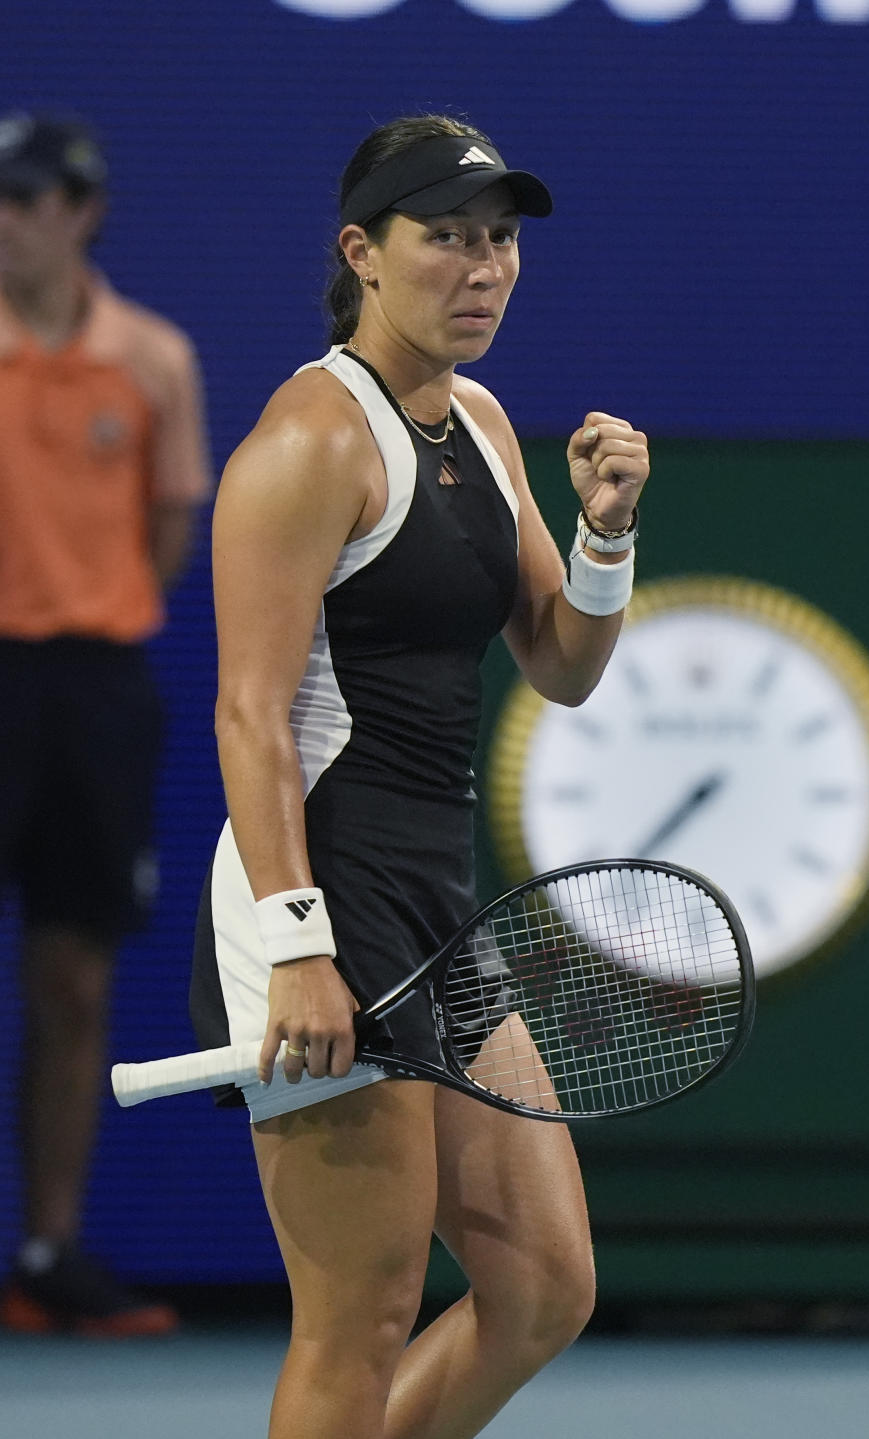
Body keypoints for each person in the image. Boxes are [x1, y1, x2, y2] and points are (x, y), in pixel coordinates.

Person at [189, 113, 649, 1438]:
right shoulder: (309, 441)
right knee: (359, 1314)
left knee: (544, 1280)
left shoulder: (489, 424)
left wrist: (604, 536)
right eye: (444, 236)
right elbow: (246, 710)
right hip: (318, 890)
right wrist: (296, 942)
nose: (482, 267)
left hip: (435, 901)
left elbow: (561, 661)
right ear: (362, 252)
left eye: (499, 238)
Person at [0, 112, 212, 1336]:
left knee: (75, 978)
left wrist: (77, 599)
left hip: (93, 694)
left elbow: (169, 535)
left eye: (30, 201)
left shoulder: (153, 359)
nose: (10, 222)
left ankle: (47, 1250)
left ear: (82, 214)